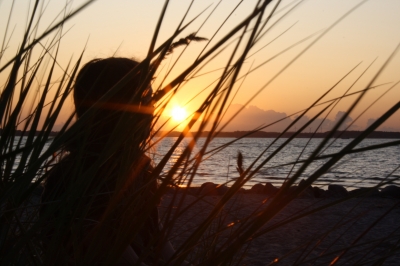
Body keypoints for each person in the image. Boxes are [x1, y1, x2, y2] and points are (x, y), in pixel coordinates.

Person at [41, 58, 175, 265]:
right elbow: (98, 238)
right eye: (146, 99)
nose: (154, 109)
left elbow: (153, 231)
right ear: (116, 109)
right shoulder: (79, 174)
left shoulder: (140, 167)